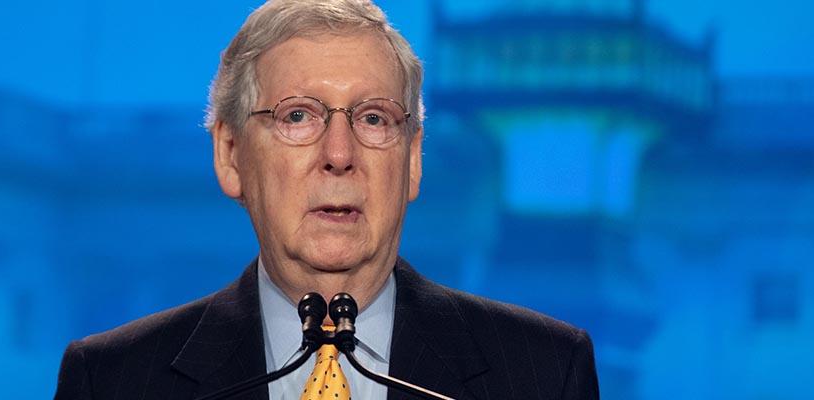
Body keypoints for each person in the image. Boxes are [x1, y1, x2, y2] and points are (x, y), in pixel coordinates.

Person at [53, 1, 600, 399]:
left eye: (373, 119)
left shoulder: (545, 374)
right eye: (297, 116)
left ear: (412, 161)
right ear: (230, 154)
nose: (339, 153)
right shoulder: (112, 380)